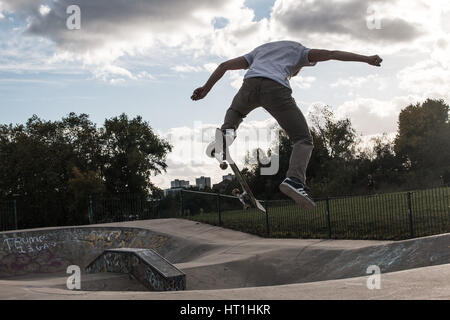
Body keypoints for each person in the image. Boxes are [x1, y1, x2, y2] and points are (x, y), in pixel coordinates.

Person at [191, 40, 382, 210]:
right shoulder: (302, 52)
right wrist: (366, 58)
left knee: (236, 112)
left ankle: (226, 135)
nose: (295, 73)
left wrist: (205, 90)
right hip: (276, 90)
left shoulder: (260, 50)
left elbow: (224, 66)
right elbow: (332, 54)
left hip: (249, 84)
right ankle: (295, 180)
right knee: (303, 139)